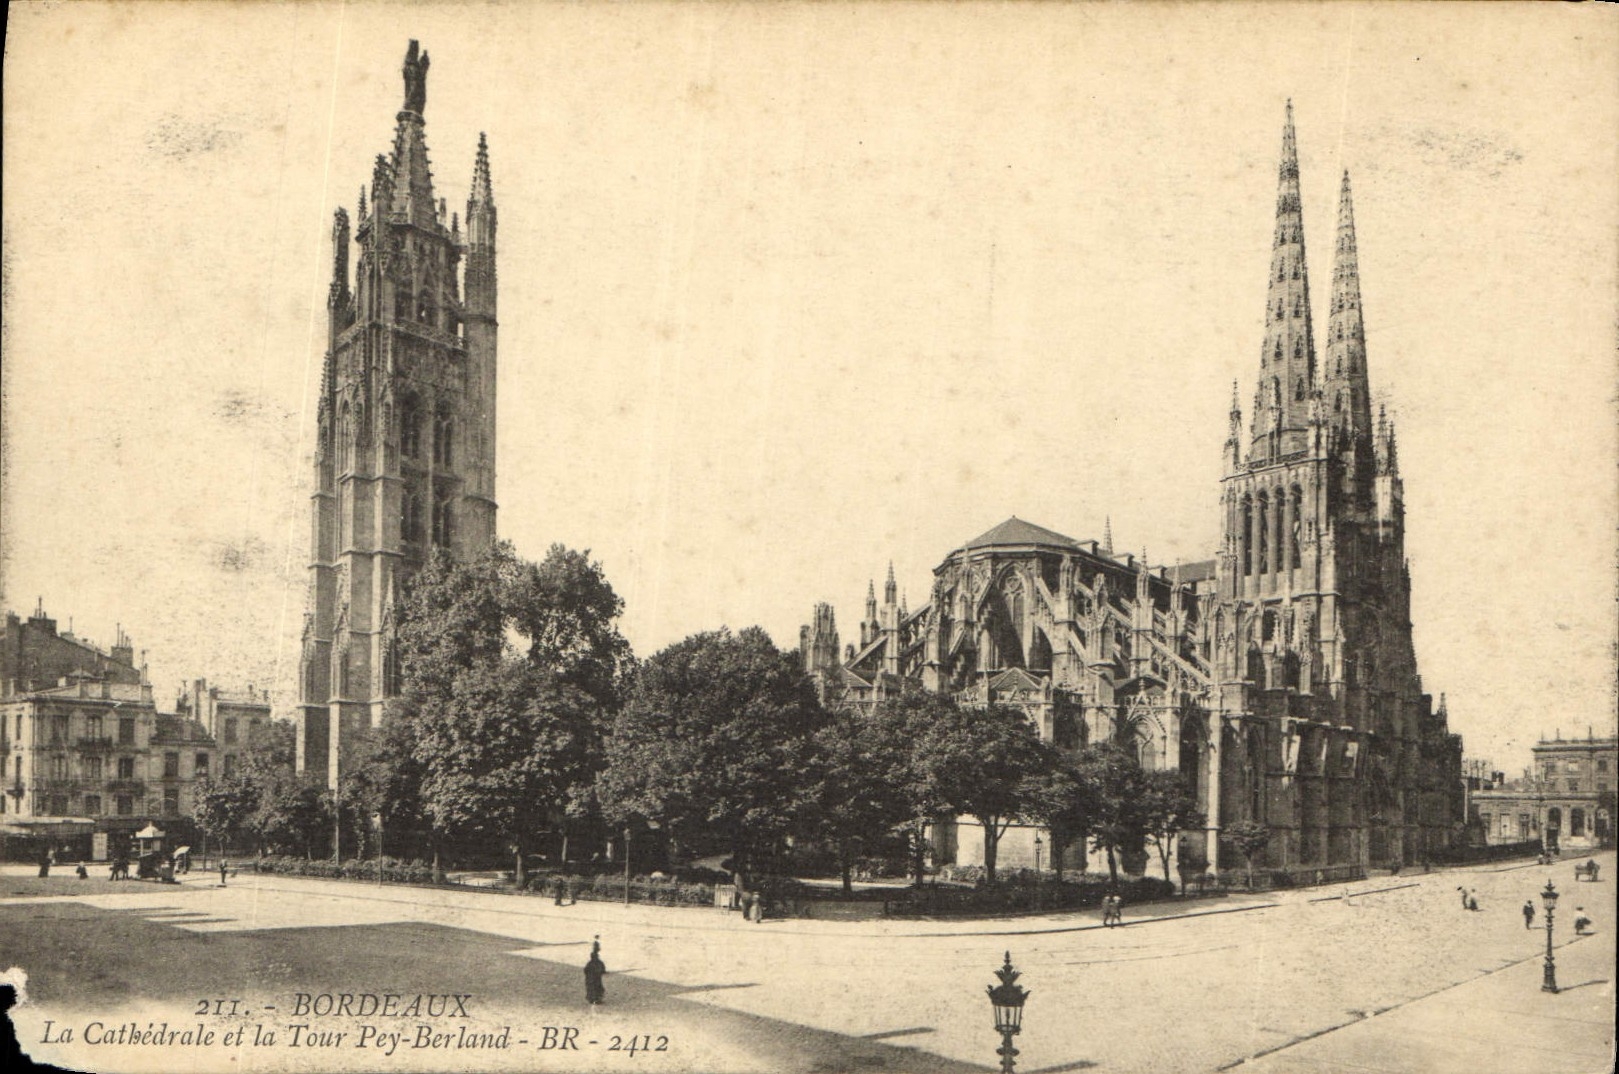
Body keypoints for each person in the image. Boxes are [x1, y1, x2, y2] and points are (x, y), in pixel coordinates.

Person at [583, 939, 606, 1006]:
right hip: (596, 979)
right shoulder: (598, 963)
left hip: (591, 979)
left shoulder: (590, 963)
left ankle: (593, 999)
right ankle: (596, 999)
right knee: (597, 988)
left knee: (593, 988)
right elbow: (602, 969)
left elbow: (585, 970)